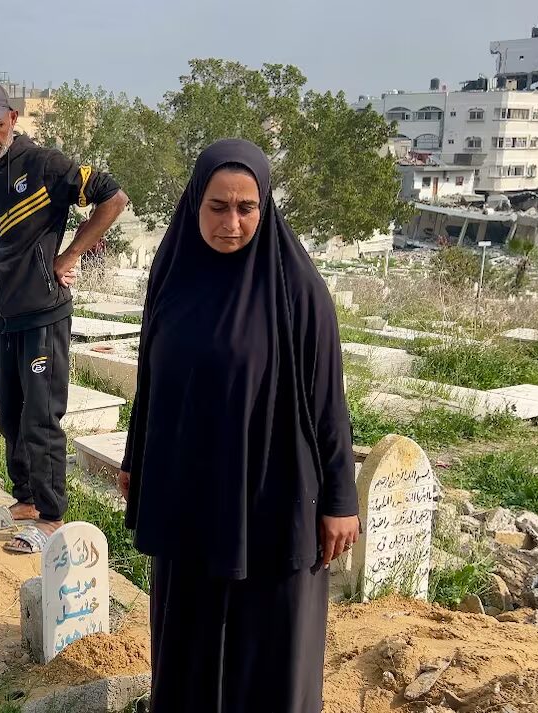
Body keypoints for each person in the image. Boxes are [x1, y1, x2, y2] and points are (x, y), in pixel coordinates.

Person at [119, 140, 360, 712]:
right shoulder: (173, 276)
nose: (232, 222)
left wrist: (340, 499)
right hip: (189, 489)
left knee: (269, 644)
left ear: (265, 207)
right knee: (190, 634)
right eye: (218, 206)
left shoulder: (297, 291)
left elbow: (328, 401)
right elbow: (151, 379)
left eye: (246, 208)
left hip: (273, 495)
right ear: (194, 204)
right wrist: (135, 459)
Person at [0, 80, 128, 554]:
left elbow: (113, 199)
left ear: (12, 119)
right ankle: (26, 500)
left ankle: (51, 516)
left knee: (41, 419)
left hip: (44, 317)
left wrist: (69, 257)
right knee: (9, 415)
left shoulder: (46, 164)